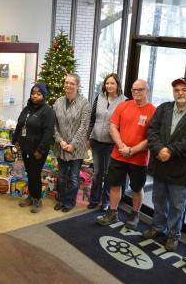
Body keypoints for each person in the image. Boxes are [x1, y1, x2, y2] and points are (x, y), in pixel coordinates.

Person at [143, 77, 186, 252]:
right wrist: (159, 150)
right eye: (177, 90)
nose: (180, 93)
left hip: (180, 169)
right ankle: (157, 227)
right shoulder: (164, 108)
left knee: (177, 205)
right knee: (158, 200)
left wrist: (169, 151)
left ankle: (173, 235)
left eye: (184, 89)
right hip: (160, 165)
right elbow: (152, 131)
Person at [97, 79, 156, 228]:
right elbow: (113, 127)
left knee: (137, 188)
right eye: (134, 89)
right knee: (115, 185)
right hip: (119, 154)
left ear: (147, 91)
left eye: (140, 89)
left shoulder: (153, 111)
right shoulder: (123, 106)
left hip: (139, 159)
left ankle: (134, 214)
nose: (136, 92)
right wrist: (122, 146)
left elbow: (152, 138)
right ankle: (112, 213)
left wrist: (133, 150)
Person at [12, 83, 56, 213]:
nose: (35, 96)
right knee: (29, 173)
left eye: (38, 94)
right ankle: (31, 196)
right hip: (26, 148)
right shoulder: (27, 109)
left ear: (43, 96)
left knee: (35, 174)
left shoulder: (48, 111)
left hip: (37, 150)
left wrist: (40, 150)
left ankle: (37, 199)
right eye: (33, 93)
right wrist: (16, 140)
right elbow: (19, 126)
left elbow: (48, 133)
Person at [87, 73, 127, 211]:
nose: (109, 86)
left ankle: (106, 202)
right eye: (107, 83)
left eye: (112, 83)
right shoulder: (99, 97)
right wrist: (88, 137)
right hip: (96, 141)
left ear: (118, 85)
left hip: (112, 145)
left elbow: (124, 125)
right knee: (97, 173)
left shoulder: (124, 101)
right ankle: (94, 199)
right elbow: (92, 119)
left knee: (108, 174)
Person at [52, 74, 91, 213]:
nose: (68, 85)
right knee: (62, 176)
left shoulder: (84, 103)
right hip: (61, 146)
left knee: (74, 177)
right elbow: (53, 124)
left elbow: (84, 126)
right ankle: (61, 199)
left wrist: (73, 144)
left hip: (76, 149)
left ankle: (69, 202)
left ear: (78, 85)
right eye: (66, 83)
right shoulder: (58, 102)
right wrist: (60, 140)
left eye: (71, 83)